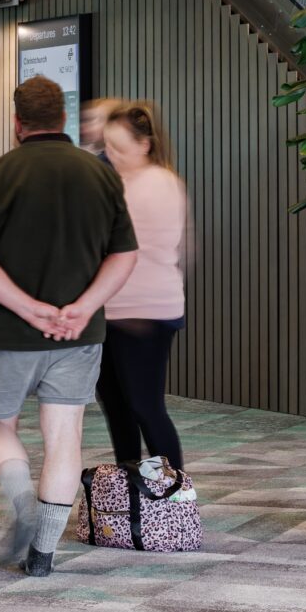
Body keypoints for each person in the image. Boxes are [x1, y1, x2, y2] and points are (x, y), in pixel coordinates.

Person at [0, 75, 138, 577]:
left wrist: (30, 308)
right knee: (64, 436)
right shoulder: (99, 174)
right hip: (80, 337)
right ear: (63, 118)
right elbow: (124, 255)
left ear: (17, 123)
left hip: (8, 335)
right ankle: (43, 555)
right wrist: (81, 307)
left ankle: (21, 505)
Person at [94, 102, 194, 471]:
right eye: (108, 146)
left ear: (145, 145)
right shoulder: (118, 183)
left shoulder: (159, 183)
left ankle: (175, 493)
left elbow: (125, 248)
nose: (111, 155)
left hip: (146, 314)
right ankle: (131, 484)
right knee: (116, 405)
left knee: (145, 406)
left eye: (119, 147)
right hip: (111, 310)